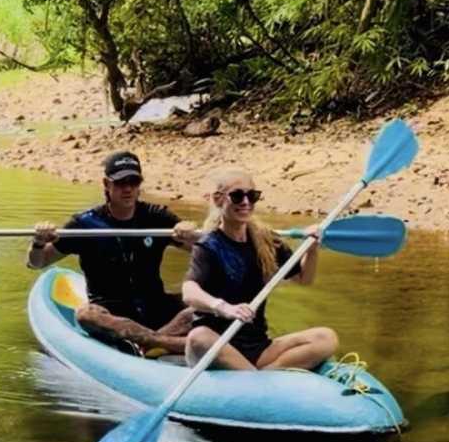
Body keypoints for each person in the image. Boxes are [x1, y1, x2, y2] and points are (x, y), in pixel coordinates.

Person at [28, 150, 201, 355]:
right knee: (86, 314)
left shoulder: (157, 217)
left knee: (206, 303)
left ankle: (151, 342)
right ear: (106, 184)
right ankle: (164, 342)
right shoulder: (85, 224)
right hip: (111, 314)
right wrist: (38, 243)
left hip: (155, 306)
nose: (127, 189)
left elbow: (206, 251)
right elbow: (37, 262)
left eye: (133, 182)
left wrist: (192, 235)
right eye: (120, 183)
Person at [182, 167, 338, 371]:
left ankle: (262, 376)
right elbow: (189, 291)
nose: (246, 202)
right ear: (220, 199)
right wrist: (223, 307)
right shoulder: (209, 246)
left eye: (252, 195)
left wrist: (311, 248)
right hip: (219, 345)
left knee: (326, 337)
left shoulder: (267, 240)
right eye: (237, 196)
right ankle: (261, 379)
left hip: (258, 347)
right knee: (197, 337)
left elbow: (304, 279)